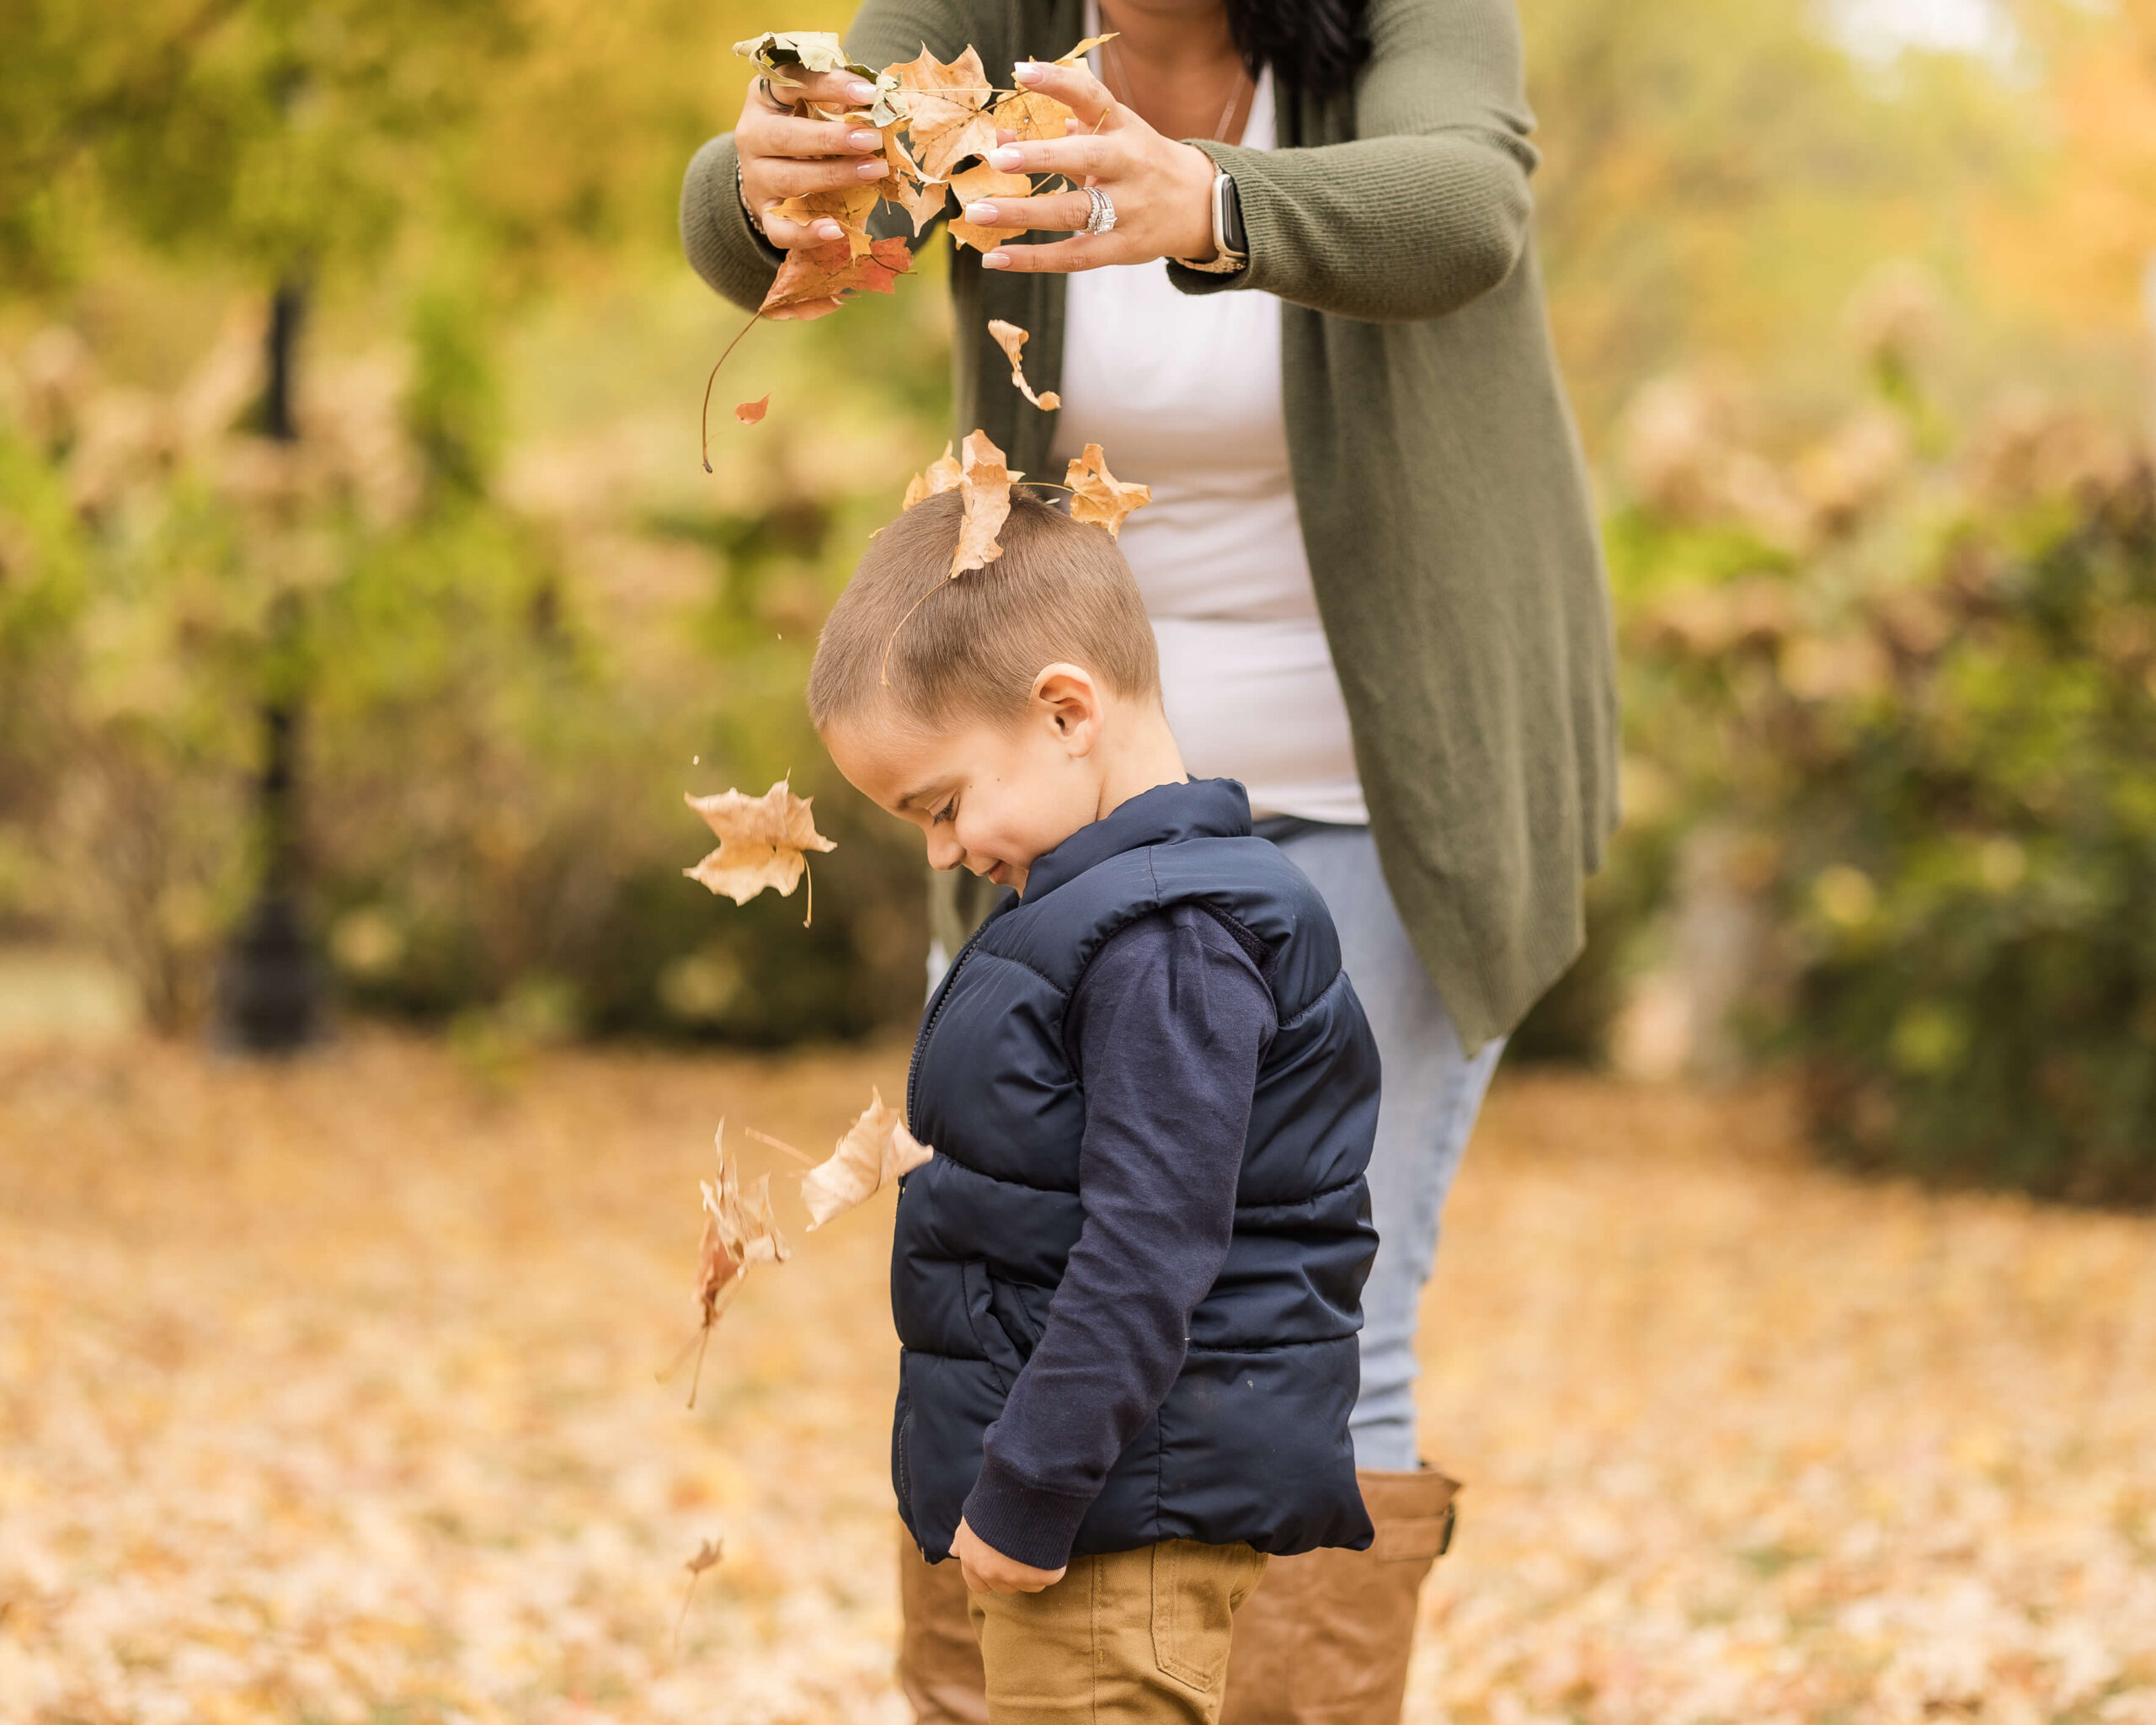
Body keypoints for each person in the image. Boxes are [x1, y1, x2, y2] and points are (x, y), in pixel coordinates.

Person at [682, 2, 1617, 1718]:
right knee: (1018, 1265)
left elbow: (1463, 207)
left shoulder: (1397, 27)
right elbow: (771, 198)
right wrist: (761, 191)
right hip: (1055, 796)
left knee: (1311, 1320)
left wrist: (1205, 200)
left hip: (1386, 793)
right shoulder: (996, 18)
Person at [808, 487, 1384, 1725]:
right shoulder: (1104, 916)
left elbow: (1152, 1242)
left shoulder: (1167, 938)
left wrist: (1028, 1482)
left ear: (1067, 712)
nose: (942, 853)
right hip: (1100, 1507)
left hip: (1120, 1521)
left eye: (944, 804)